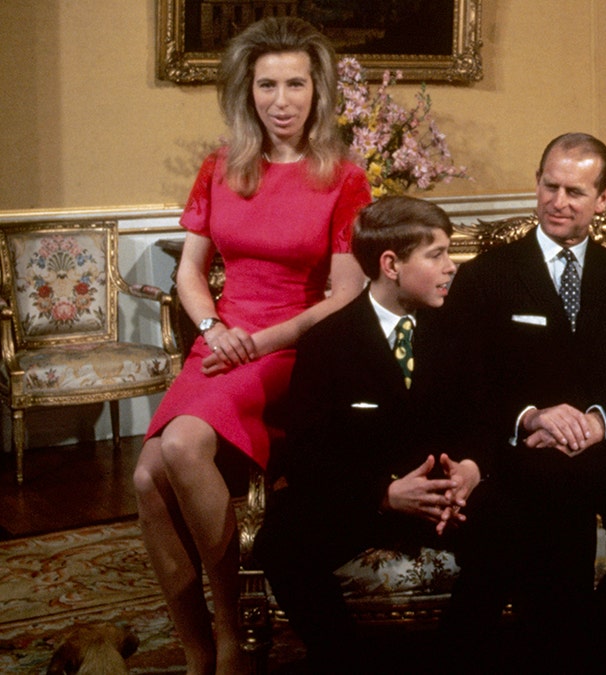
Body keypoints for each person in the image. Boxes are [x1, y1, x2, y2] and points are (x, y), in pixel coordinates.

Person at [132, 17, 371, 674]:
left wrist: (255, 341)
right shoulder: (220, 167)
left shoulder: (343, 177)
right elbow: (188, 269)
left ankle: (232, 628)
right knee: (147, 477)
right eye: (268, 84)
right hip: (224, 341)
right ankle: (196, 646)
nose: (282, 100)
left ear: (318, 92)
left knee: (179, 445)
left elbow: (344, 295)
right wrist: (214, 329)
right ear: (249, 90)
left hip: (292, 348)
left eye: (296, 83)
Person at [437, 133, 606, 673]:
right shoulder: (487, 276)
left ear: (603, 199)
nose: (559, 201)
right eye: (550, 186)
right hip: (526, 446)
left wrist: (600, 423)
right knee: (553, 508)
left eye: (575, 192)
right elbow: (466, 382)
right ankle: (563, 651)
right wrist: (531, 415)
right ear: (537, 184)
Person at [253, 196, 476, 672]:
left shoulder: (461, 330)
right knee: (281, 539)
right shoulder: (328, 343)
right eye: (435, 255)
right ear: (390, 264)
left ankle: (455, 657)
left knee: (526, 517)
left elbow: (483, 419)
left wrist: (470, 472)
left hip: (448, 500)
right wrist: (385, 494)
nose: (451, 267)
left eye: (448, 253)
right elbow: (308, 456)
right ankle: (343, 660)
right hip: (368, 504)